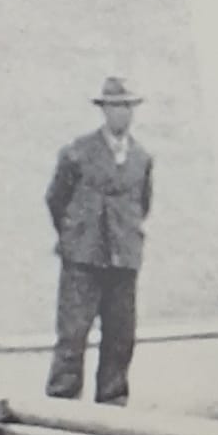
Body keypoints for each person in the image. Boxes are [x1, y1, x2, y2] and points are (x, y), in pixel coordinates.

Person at [45, 76, 153, 406]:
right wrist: (74, 238)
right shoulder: (78, 152)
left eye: (127, 108)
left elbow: (142, 204)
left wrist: (125, 236)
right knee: (73, 335)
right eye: (115, 107)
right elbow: (55, 198)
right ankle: (60, 409)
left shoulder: (142, 158)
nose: (122, 114)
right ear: (104, 111)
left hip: (124, 259)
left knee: (121, 337)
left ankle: (113, 405)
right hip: (83, 258)